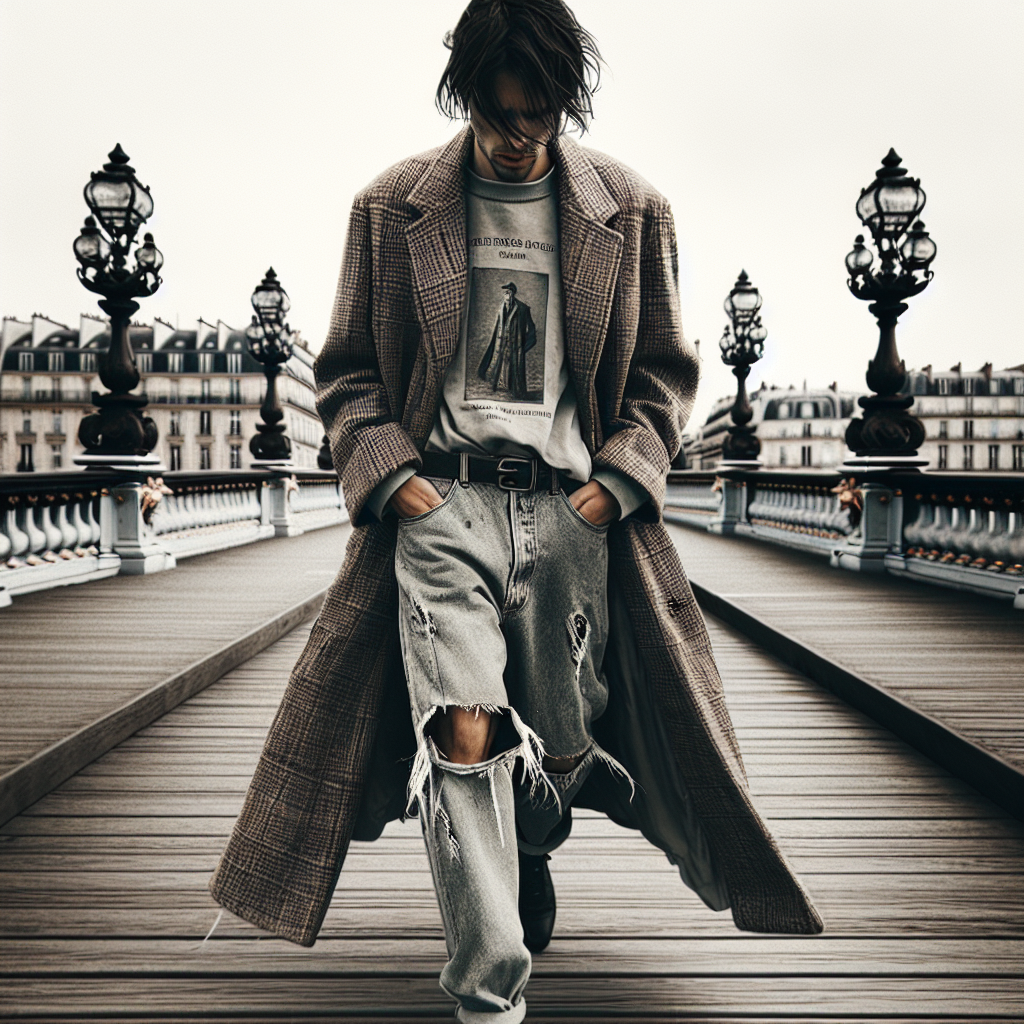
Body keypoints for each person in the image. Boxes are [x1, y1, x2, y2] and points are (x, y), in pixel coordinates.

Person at [210, 2, 822, 1022]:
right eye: (499, 117)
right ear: (467, 97)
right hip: (442, 508)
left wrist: (611, 487)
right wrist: (397, 479)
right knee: (461, 728)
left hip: (570, 516)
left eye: (537, 118)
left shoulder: (630, 210)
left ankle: (526, 840)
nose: (517, 137)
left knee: (557, 740)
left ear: (562, 104)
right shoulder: (390, 205)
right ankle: (489, 985)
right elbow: (348, 373)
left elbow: (666, 374)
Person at [478, 281, 537, 399]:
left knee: (515, 365)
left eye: (508, 292)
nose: (506, 295)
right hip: (502, 342)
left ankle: (515, 390)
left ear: (512, 294)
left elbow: (532, 330)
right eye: (505, 293)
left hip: (515, 344)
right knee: (502, 363)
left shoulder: (523, 308)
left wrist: (524, 346)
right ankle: (503, 385)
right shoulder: (502, 307)